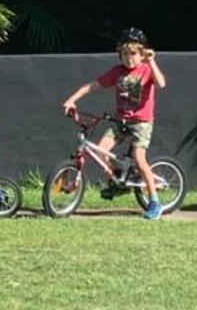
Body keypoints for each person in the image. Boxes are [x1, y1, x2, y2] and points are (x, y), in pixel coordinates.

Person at [61, 27, 168, 220]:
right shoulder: (117, 72)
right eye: (125, 54)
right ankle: (119, 181)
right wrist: (71, 99)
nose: (129, 58)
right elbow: (91, 85)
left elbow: (161, 83)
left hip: (141, 123)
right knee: (101, 151)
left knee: (139, 157)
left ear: (142, 53)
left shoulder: (146, 68)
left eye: (134, 54)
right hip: (121, 121)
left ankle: (154, 201)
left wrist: (151, 61)